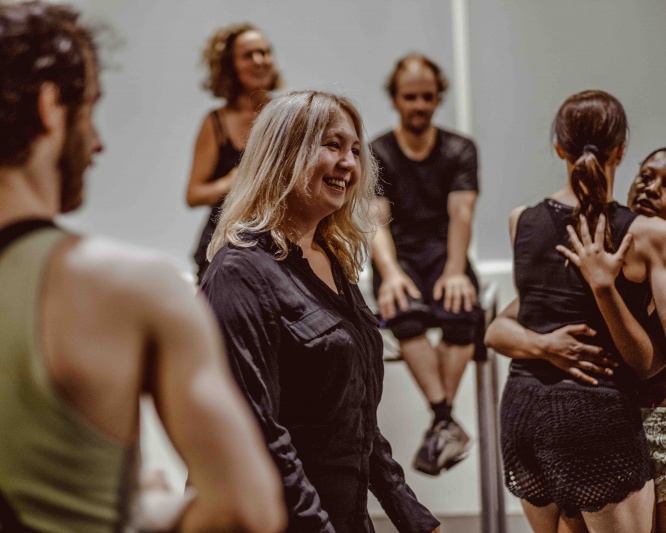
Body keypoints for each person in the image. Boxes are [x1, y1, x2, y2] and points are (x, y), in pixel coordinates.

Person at [0, 2, 286, 532]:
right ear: (50, 107)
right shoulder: (129, 291)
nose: (98, 142)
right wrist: (145, 507)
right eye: (90, 109)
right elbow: (247, 511)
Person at [200, 90, 440, 532]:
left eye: (355, 150)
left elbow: (356, 420)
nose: (349, 163)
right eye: (332, 145)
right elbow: (257, 431)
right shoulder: (238, 271)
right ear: (284, 154)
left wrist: (416, 520)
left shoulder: (331, 261)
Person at [484, 90, 666, 533]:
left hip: (523, 409)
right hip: (594, 416)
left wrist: (543, 346)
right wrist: (602, 290)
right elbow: (646, 364)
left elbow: (508, 323)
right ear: (621, 151)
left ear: (558, 147)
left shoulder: (521, 219)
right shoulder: (645, 234)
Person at [370, 54, 483, 476]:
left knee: (462, 314)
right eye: (410, 97)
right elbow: (375, 220)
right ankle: (446, 421)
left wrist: (455, 270)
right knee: (404, 313)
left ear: (438, 98)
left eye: (427, 96)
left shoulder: (459, 149)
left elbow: (461, 215)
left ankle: (441, 422)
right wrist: (390, 272)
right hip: (399, 255)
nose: (419, 105)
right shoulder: (378, 151)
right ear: (395, 98)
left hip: (444, 251)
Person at [186, 23, 281, 282]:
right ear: (230, 66)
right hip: (222, 248)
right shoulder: (215, 123)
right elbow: (193, 195)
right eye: (249, 55)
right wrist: (231, 182)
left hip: (277, 245)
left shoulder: (286, 115)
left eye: (265, 52)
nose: (260, 61)